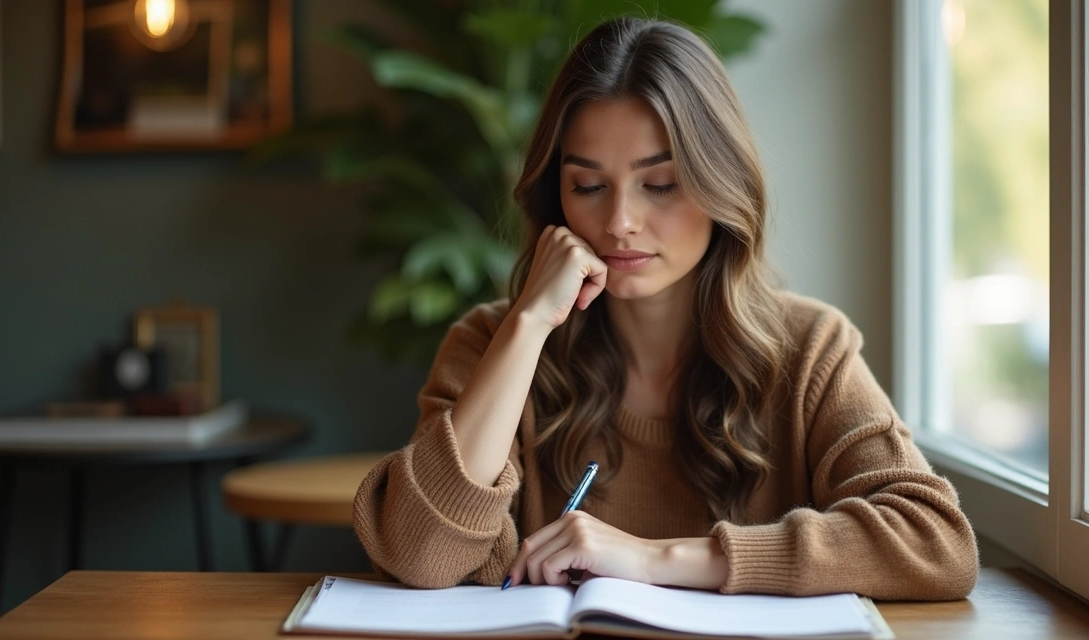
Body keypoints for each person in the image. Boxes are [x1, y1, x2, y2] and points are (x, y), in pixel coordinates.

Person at [353, 15, 978, 601]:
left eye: (661, 184)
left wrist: (657, 560)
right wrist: (528, 326)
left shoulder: (810, 347)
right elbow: (419, 555)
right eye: (588, 186)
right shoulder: (492, 345)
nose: (619, 222)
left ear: (720, 184)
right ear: (555, 197)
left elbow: (934, 542)